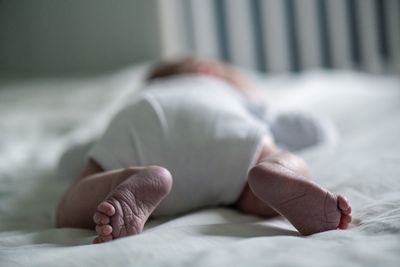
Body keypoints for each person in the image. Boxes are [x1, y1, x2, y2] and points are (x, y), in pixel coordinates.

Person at [55, 57, 352, 244]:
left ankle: (129, 180)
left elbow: (67, 161)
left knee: (73, 201)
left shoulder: (143, 98)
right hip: (226, 136)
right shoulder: (223, 92)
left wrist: (93, 163)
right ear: (208, 71)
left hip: (143, 126)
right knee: (262, 176)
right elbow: (315, 131)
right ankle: (275, 171)